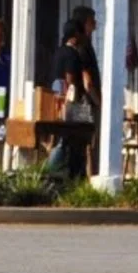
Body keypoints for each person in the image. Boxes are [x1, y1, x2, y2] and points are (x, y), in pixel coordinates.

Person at [46, 9, 101, 180]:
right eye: (92, 21)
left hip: (59, 100)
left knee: (67, 140)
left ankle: (71, 174)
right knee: (75, 139)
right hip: (75, 104)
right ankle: (56, 171)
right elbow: (77, 81)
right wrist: (98, 101)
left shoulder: (60, 51)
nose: (95, 25)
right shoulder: (75, 52)